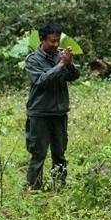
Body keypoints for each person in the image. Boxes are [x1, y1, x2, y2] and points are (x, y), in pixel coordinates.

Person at [24, 23, 80, 190]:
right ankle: (34, 189)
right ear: (42, 40)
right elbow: (41, 80)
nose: (56, 45)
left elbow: (74, 76)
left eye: (57, 41)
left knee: (59, 153)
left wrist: (69, 63)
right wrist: (61, 65)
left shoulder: (60, 56)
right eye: (52, 41)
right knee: (38, 154)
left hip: (59, 113)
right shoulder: (32, 60)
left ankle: (60, 187)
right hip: (39, 113)